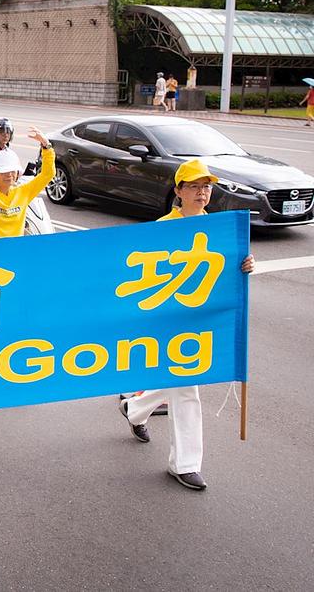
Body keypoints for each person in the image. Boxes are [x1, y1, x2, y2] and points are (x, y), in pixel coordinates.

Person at [119, 159, 254, 491]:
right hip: (168, 321)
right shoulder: (162, 229)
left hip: (201, 321)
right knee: (186, 386)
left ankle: (134, 408)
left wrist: (246, 265)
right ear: (178, 191)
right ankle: (185, 464)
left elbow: (225, 270)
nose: (201, 192)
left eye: (206, 186)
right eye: (194, 186)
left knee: (180, 380)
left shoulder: (219, 228)